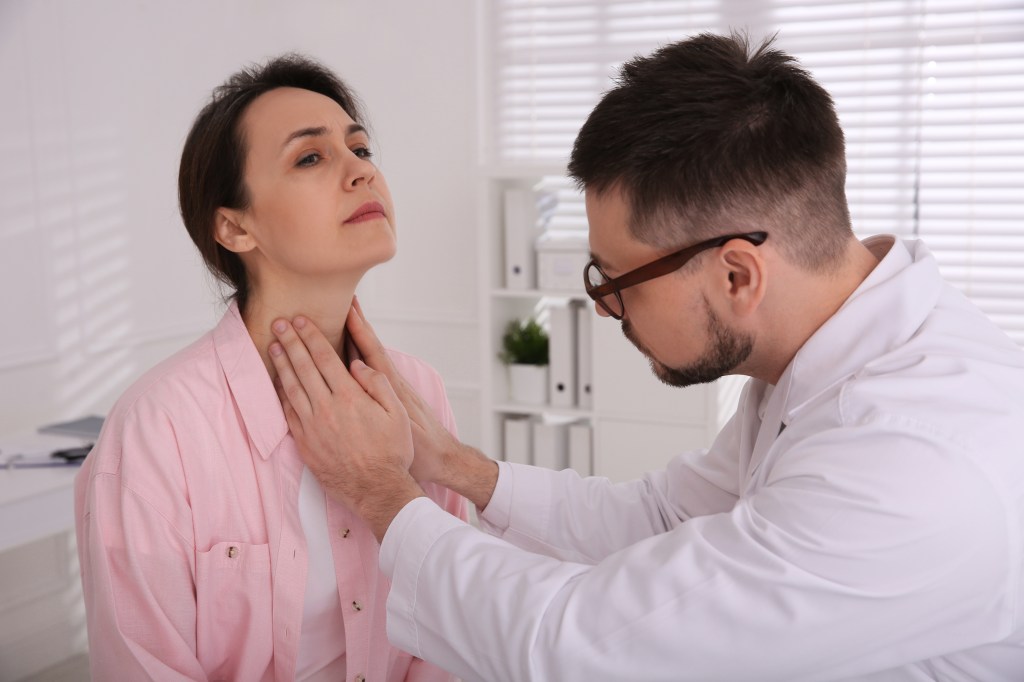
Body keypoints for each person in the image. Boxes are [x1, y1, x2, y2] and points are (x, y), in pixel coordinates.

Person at [268, 33, 1024, 681]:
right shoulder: (820, 357)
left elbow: (580, 645)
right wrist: (456, 467)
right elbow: (664, 517)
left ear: (736, 275)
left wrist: (378, 493)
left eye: (617, 278)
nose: (604, 305)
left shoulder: (909, 463)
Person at [74, 54, 465, 681]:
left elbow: (450, 630)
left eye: (360, 148)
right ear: (234, 226)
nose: (361, 171)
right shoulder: (158, 429)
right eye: (311, 157)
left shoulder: (418, 390)